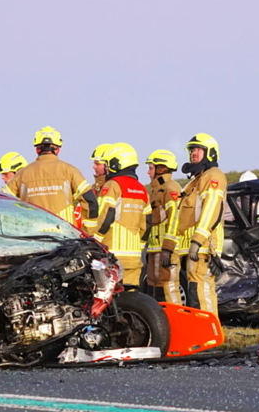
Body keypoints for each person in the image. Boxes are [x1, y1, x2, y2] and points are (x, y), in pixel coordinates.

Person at [161, 133, 226, 314]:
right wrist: (168, 246)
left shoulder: (213, 176)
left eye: (198, 149)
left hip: (204, 245)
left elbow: (211, 209)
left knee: (201, 290)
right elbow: (178, 217)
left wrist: (197, 241)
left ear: (210, 153)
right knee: (194, 291)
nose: (193, 154)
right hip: (192, 247)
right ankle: (200, 334)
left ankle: (209, 335)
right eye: (191, 150)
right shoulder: (193, 183)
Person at [5, 126, 98, 231]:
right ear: (58, 150)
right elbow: (90, 201)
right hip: (65, 237)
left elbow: (3, 202)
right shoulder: (70, 171)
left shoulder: (21, 175)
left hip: (33, 236)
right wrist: (88, 232)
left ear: (37, 149)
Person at [92, 143, 150, 287]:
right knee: (132, 299)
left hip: (111, 255)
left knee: (111, 301)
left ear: (117, 163)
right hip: (134, 257)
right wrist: (140, 245)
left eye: (109, 163)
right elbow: (148, 223)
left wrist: (94, 242)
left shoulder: (112, 185)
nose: (107, 167)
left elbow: (106, 217)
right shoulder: (142, 189)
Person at [144, 149, 183, 303]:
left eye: (151, 168)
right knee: (155, 289)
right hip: (156, 249)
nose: (148, 172)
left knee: (169, 288)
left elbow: (175, 218)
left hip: (166, 250)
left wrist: (168, 247)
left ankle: (178, 325)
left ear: (161, 169)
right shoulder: (157, 190)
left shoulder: (171, 188)